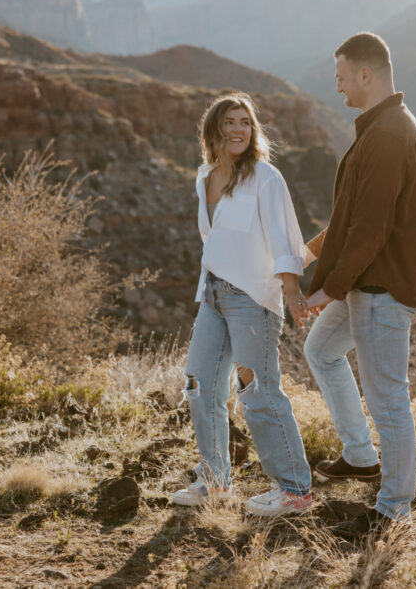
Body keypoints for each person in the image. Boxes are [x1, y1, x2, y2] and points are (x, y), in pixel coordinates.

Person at [303, 32, 416, 538]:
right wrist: (305, 253)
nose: (337, 88)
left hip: (379, 290)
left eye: (340, 77)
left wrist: (324, 290)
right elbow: (349, 219)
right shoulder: (384, 127)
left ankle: (394, 509)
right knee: (323, 351)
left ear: (365, 74)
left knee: (388, 399)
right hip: (364, 285)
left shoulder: (388, 135)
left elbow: (369, 231)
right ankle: (360, 455)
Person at [172, 92, 314, 517]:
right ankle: (214, 482)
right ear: (213, 131)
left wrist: (291, 293)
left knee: (257, 390)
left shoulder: (265, 178)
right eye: (230, 122)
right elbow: (214, 239)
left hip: (252, 298)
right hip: (213, 294)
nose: (238, 129)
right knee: (199, 386)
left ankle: (294, 490)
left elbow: (285, 238)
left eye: (245, 123)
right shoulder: (205, 176)